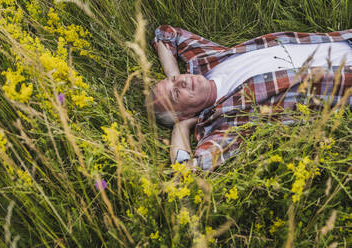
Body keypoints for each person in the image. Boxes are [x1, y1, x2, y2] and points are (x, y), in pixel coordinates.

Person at [150, 25, 352, 171]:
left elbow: (166, 34)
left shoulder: (206, 61)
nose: (182, 82)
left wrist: (171, 76)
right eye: (176, 94)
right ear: (186, 113)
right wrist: (181, 127)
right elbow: (186, 172)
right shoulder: (225, 121)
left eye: (176, 79)